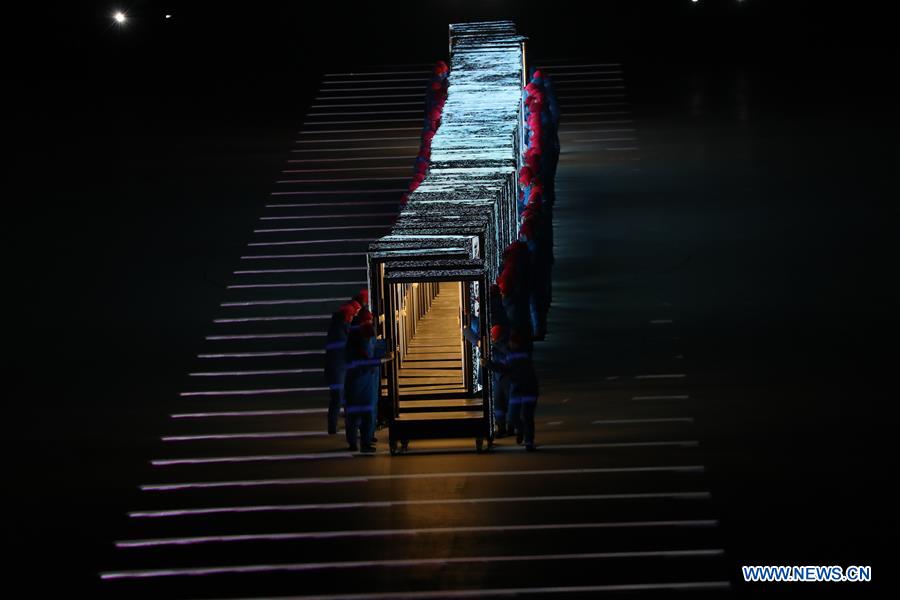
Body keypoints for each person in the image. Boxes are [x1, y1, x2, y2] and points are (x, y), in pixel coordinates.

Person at [483, 329, 538, 451]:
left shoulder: (515, 355)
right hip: (523, 389)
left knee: (523, 416)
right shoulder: (517, 354)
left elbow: (504, 368)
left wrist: (488, 364)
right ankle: (524, 434)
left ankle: (529, 441)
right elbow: (505, 367)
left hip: (524, 388)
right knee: (518, 416)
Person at [344, 312, 385, 453]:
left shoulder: (352, 339)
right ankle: (365, 443)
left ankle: (353, 443)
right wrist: (378, 360)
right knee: (366, 414)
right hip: (364, 382)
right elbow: (368, 358)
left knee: (354, 416)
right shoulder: (365, 336)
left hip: (354, 382)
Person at [324, 301, 360, 434]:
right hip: (338, 369)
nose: (353, 318)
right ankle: (334, 426)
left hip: (338, 369)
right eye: (352, 315)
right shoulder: (341, 330)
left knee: (340, 398)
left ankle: (338, 425)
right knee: (338, 398)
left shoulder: (337, 327)